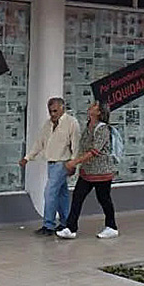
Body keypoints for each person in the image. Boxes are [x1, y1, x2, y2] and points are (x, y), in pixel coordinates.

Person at [57, 100, 119, 239]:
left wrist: (74, 162)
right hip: (87, 171)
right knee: (77, 197)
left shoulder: (102, 129)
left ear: (99, 112)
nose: (90, 107)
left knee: (104, 199)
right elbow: (83, 147)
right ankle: (71, 228)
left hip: (101, 172)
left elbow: (94, 151)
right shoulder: (88, 126)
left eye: (94, 106)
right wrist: (76, 163)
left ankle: (112, 226)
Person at [19, 97, 80, 235]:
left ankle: (48, 225)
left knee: (50, 192)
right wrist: (27, 158)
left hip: (63, 163)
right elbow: (39, 143)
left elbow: (76, 145)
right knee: (62, 194)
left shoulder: (71, 123)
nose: (52, 114)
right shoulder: (48, 124)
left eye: (55, 111)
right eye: (50, 111)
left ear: (62, 109)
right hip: (51, 163)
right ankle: (65, 223)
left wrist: (74, 163)